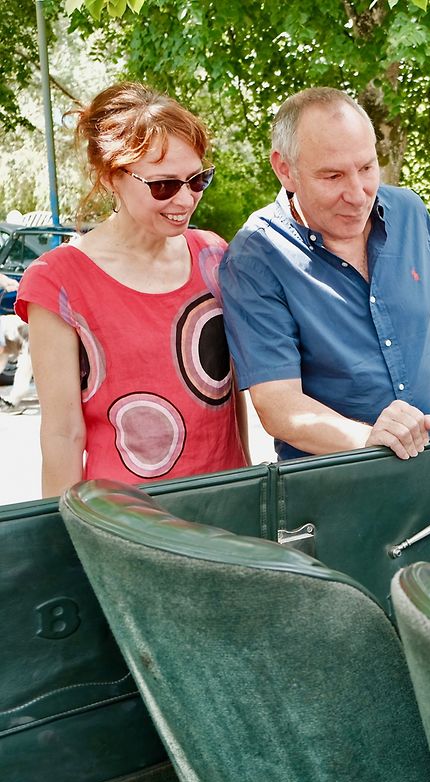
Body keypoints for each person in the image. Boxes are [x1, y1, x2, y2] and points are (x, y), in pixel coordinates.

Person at [14, 82, 249, 497]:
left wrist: (248, 485)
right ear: (111, 177)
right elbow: (63, 435)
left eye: (196, 180)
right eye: (163, 185)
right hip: (126, 522)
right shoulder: (58, 280)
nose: (185, 199)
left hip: (226, 508)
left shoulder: (213, 254)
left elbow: (230, 399)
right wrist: (58, 546)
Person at [219, 88, 430, 462]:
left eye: (366, 168)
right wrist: (370, 438)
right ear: (285, 169)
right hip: (342, 484)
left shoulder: (411, 211)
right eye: (333, 176)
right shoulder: (256, 257)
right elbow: (279, 407)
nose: (357, 194)